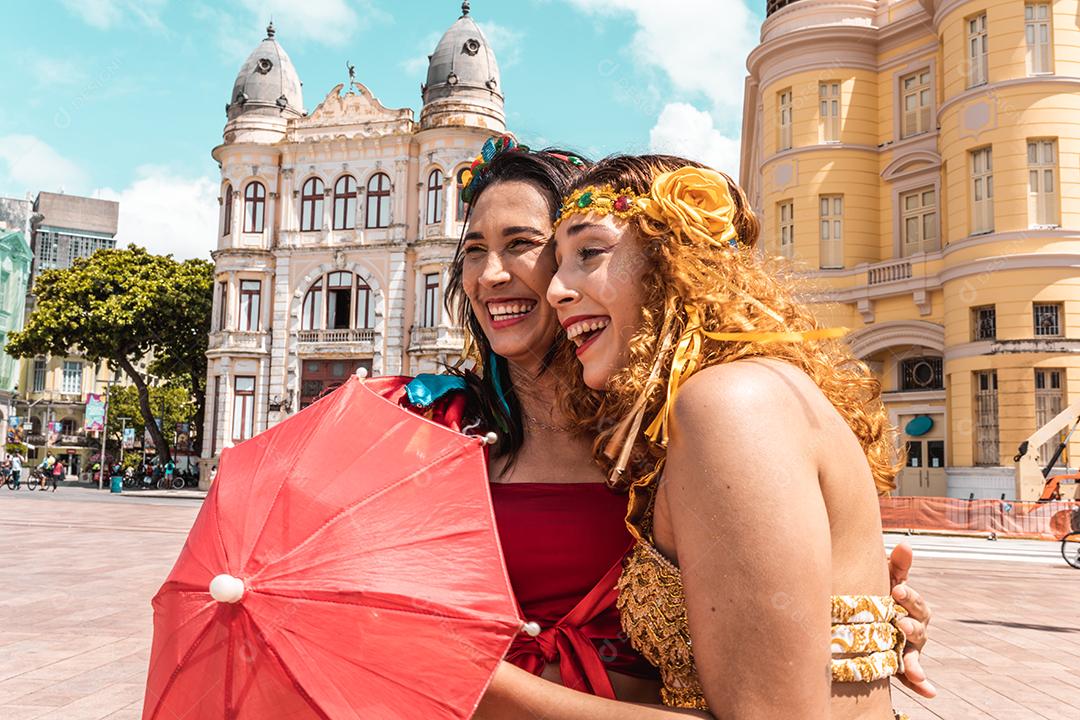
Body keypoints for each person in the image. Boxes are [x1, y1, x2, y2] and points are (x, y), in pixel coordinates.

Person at [398, 139, 931, 708]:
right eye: (473, 250)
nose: (555, 287)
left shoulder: (727, 404)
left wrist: (449, 673)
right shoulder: (658, 426)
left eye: (584, 253)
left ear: (673, 261)